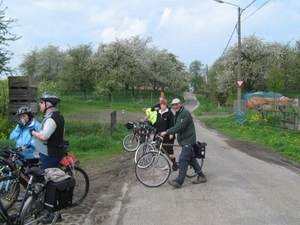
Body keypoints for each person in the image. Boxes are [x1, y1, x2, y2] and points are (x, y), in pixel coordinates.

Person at [30, 91, 65, 223]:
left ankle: (55, 214)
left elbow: (45, 136)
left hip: (50, 155)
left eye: (41, 102)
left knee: (51, 184)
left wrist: (33, 132)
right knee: (50, 183)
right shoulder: (55, 115)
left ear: (48, 104)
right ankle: (52, 210)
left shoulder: (52, 119)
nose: (39, 104)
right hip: (49, 153)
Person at [160, 98, 207, 188]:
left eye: (177, 104)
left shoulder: (184, 113)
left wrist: (167, 132)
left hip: (188, 140)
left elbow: (179, 127)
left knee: (183, 159)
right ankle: (202, 176)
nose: (175, 106)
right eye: (173, 105)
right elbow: (176, 125)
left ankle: (179, 181)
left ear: (180, 104)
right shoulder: (178, 113)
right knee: (191, 159)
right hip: (184, 140)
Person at [155, 100, 175, 164]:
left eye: (164, 105)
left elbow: (172, 123)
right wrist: (156, 134)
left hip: (168, 135)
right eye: (161, 105)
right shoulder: (158, 113)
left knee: (169, 151)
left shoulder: (169, 113)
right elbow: (157, 124)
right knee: (163, 151)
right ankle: (168, 164)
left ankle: (172, 164)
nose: (162, 106)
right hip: (161, 135)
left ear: (166, 105)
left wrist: (171, 133)